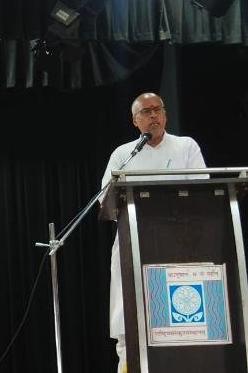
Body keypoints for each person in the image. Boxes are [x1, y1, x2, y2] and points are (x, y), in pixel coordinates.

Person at [100, 92, 206, 373]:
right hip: (132, 242)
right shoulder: (123, 154)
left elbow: (203, 191)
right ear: (135, 120)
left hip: (178, 243)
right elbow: (104, 199)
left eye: (158, 109)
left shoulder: (186, 146)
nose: (154, 115)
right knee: (128, 318)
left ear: (166, 114)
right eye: (146, 112)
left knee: (176, 316)